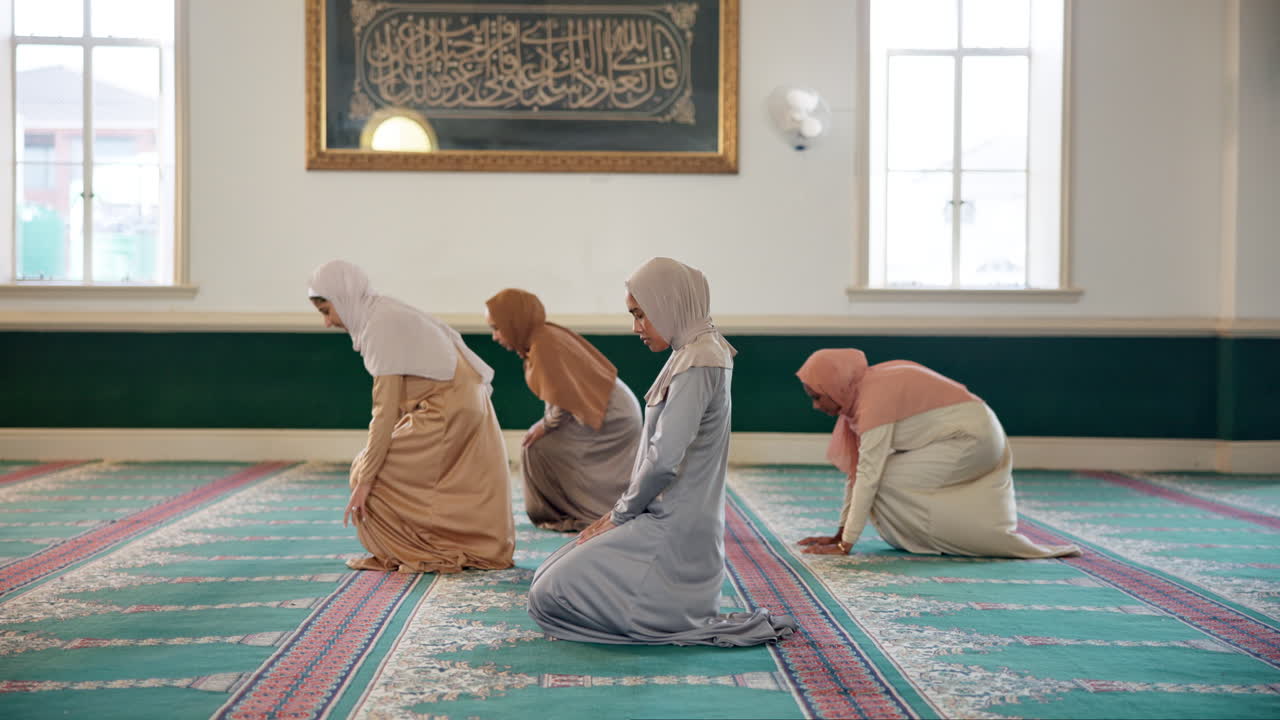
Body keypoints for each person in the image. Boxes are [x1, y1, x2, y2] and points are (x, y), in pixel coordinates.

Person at [527, 257, 796, 646]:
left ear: (668, 303)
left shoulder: (699, 359)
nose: (636, 327)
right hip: (662, 513)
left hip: (673, 526)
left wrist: (620, 515)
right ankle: (644, 605)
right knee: (547, 578)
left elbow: (664, 459)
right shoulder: (693, 351)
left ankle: (657, 610)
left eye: (641, 314)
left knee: (549, 593)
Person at [308, 260, 515, 573]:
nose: (328, 323)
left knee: (370, 473)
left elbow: (384, 412)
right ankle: (440, 544)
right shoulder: (382, 312)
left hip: (446, 411)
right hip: (463, 404)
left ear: (343, 297)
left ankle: (419, 550)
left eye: (327, 311)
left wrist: (365, 481)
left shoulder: (379, 325)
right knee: (415, 478)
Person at [794, 349, 1079, 558]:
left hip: (971, 441)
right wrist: (840, 533)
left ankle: (937, 538)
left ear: (834, 384)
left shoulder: (872, 399)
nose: (816, 406)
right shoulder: (864, 388)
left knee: (882, 480)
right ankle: (949, 535)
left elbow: (867, 475)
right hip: (978, 435)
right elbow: (858, 473)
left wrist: (845, 544)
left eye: (817, 396)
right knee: (881, 478)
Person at [484, 289, 641, 531]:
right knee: (538, 444)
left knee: (537, 447)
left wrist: (544, 426)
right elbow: (562, 396)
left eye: (497, 328)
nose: (495, 337)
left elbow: (560, 405)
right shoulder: (542, 337)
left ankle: (584, 512)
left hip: (611, 417)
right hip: (610, 411)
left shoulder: (543, 343)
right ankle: (577, 510)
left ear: (513, 321)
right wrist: (546, 424)